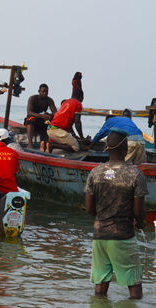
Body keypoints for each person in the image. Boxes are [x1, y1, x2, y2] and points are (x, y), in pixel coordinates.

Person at [85, 129, 148, 300]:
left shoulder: (95, 173)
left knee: (100, 286)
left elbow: (89, 209)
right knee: (134, 286)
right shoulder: (135, 174)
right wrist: (141, 223)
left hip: (99, 237)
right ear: (126, 148)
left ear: (107, 148)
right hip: (123, 236)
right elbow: (138, 211)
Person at [47, 88, 87, 153]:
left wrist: (73, 135)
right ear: (81, 97)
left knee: (70, 141)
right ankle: (52, 146)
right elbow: (77, 122)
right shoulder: (78, 104)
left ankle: (48, 145)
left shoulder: (66, 102)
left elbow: (67, 123)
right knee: (76, 148)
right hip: (57, 131)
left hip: (50, 129)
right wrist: (82, 137)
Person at [24, 83, 57, 149]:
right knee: (30, 118)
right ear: (39, 91)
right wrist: (41, 116)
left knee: (54, 121)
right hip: (32, 122)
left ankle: (52, 144)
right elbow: (29, 112)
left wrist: (49, 115)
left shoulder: (49, 100)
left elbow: (55, 113)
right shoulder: (32, 98)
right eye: (43, 91)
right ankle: (30, 144)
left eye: (46, 92)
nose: (45, 93)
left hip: (42, 122)